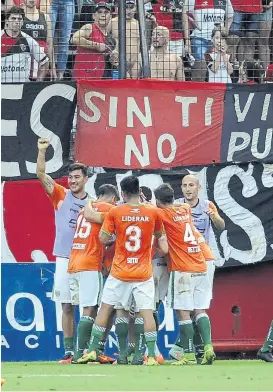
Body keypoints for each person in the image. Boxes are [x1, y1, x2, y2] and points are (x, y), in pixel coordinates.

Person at [78, 175, 168, 366]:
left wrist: (116, 235)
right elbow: (160, 237)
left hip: (120, 271)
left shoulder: (116, 212)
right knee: (146, 312)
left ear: (123, 193)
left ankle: (93, 350)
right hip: (143, 272)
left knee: (105, 309)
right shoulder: (153, 212)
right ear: (139, 191)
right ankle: (151, 355)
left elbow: (103, 238)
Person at [36, 138, 91, 364]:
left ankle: (86, 350)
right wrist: (41, 152)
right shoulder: (61, 194)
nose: (73, 180)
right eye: (71, 177)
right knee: (66, 305)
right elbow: (41, 174)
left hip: (86, 260)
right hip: (63, 259)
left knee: (88, 307)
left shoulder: (94, 204)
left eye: (77, 177)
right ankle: (69, 352)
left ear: (86, 179)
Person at [154, 183, 216, 365]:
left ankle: (188, 356)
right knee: (200, 310)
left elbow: (152, 213)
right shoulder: (186, 209)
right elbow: (183, 206)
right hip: (200, 265)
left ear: (158, 201)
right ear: (174, 197)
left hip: (182, 268)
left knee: (183, 313)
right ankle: (208, 348)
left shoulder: (160, 213)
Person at [170, 174, 224, 361]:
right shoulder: (176, 204)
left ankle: (188, 351)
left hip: (196, 260)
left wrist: (215, 217)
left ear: (198, 187)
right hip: (197, 260)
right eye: (184, 185)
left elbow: (221, 225)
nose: (187, 188)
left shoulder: (207, 205)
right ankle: (204, 347)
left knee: (187, 309)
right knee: (196, 309)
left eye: (191, 185)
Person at [68, 184, 119, 363]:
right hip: (90, 264)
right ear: (113, 199)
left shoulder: (84, 210)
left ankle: (85, 352)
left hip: (74, 262)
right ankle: (82, 353)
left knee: (85, 309)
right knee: (90, 309)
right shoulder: (111, 209)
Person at [1, 6, 49, 82]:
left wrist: (37, 84)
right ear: (7, 21)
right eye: (13, 18)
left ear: (23, 22)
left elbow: (45, 63)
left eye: (19, 19)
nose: (16, 21)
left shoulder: (29, 40)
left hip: (22, 89)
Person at [72, 2, 115, 80]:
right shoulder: (89, 27)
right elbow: (75, 38)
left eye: (106, 12)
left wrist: (114, 59)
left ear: (110, 17)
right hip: (84, 80)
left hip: (102, 80)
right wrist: (96, 46)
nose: (103, 15)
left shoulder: (111, 39)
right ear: (94, 16)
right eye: (99, 12)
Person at [22, 0, 56, 80]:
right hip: (24, 63)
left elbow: (49, 43)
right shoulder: (19, 16)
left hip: (42, 65)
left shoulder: (45, 17)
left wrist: (53, 67)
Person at [110, 0, 141, 78]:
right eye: (126, 7)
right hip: (117, 64)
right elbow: (103, 38)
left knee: (133, 88)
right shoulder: (112, 22)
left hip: (135, 65)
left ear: (136, 8)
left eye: (131, 7)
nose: (128, 10)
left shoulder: (139, 24)